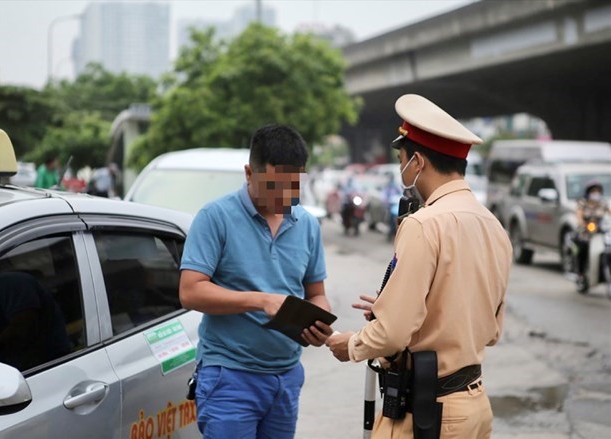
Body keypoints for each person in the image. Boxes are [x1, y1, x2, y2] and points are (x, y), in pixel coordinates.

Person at [325, 94, 512, 438]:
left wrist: (351, 344)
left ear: (418, 162)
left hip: (429, 413)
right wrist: (395, 307)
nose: (401, 169)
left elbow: (394, 332)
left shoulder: (424, 224)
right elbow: (491, 330)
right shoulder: (493, 226)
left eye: (401, 159)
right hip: (474, 408)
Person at [179, 124, 333, 439]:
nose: (285, 197)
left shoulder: (306, 225)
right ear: (250, 173)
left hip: (286, 377)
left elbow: (317, 293)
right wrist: (261, 300)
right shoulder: (215, 217)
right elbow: (190, 291)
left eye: (293, 187)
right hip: (229, 378)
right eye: (274, 186)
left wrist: (319, 322)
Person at [574, 180, 610, 286]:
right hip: (586, 233)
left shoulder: (603, 203)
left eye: (598, 191)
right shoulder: (582, 203)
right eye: (593, 191)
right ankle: (581, 273)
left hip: (601, 233)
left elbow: (609, 213)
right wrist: (582, 223)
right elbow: (579, 217)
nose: (596, 193)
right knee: (583, 249)